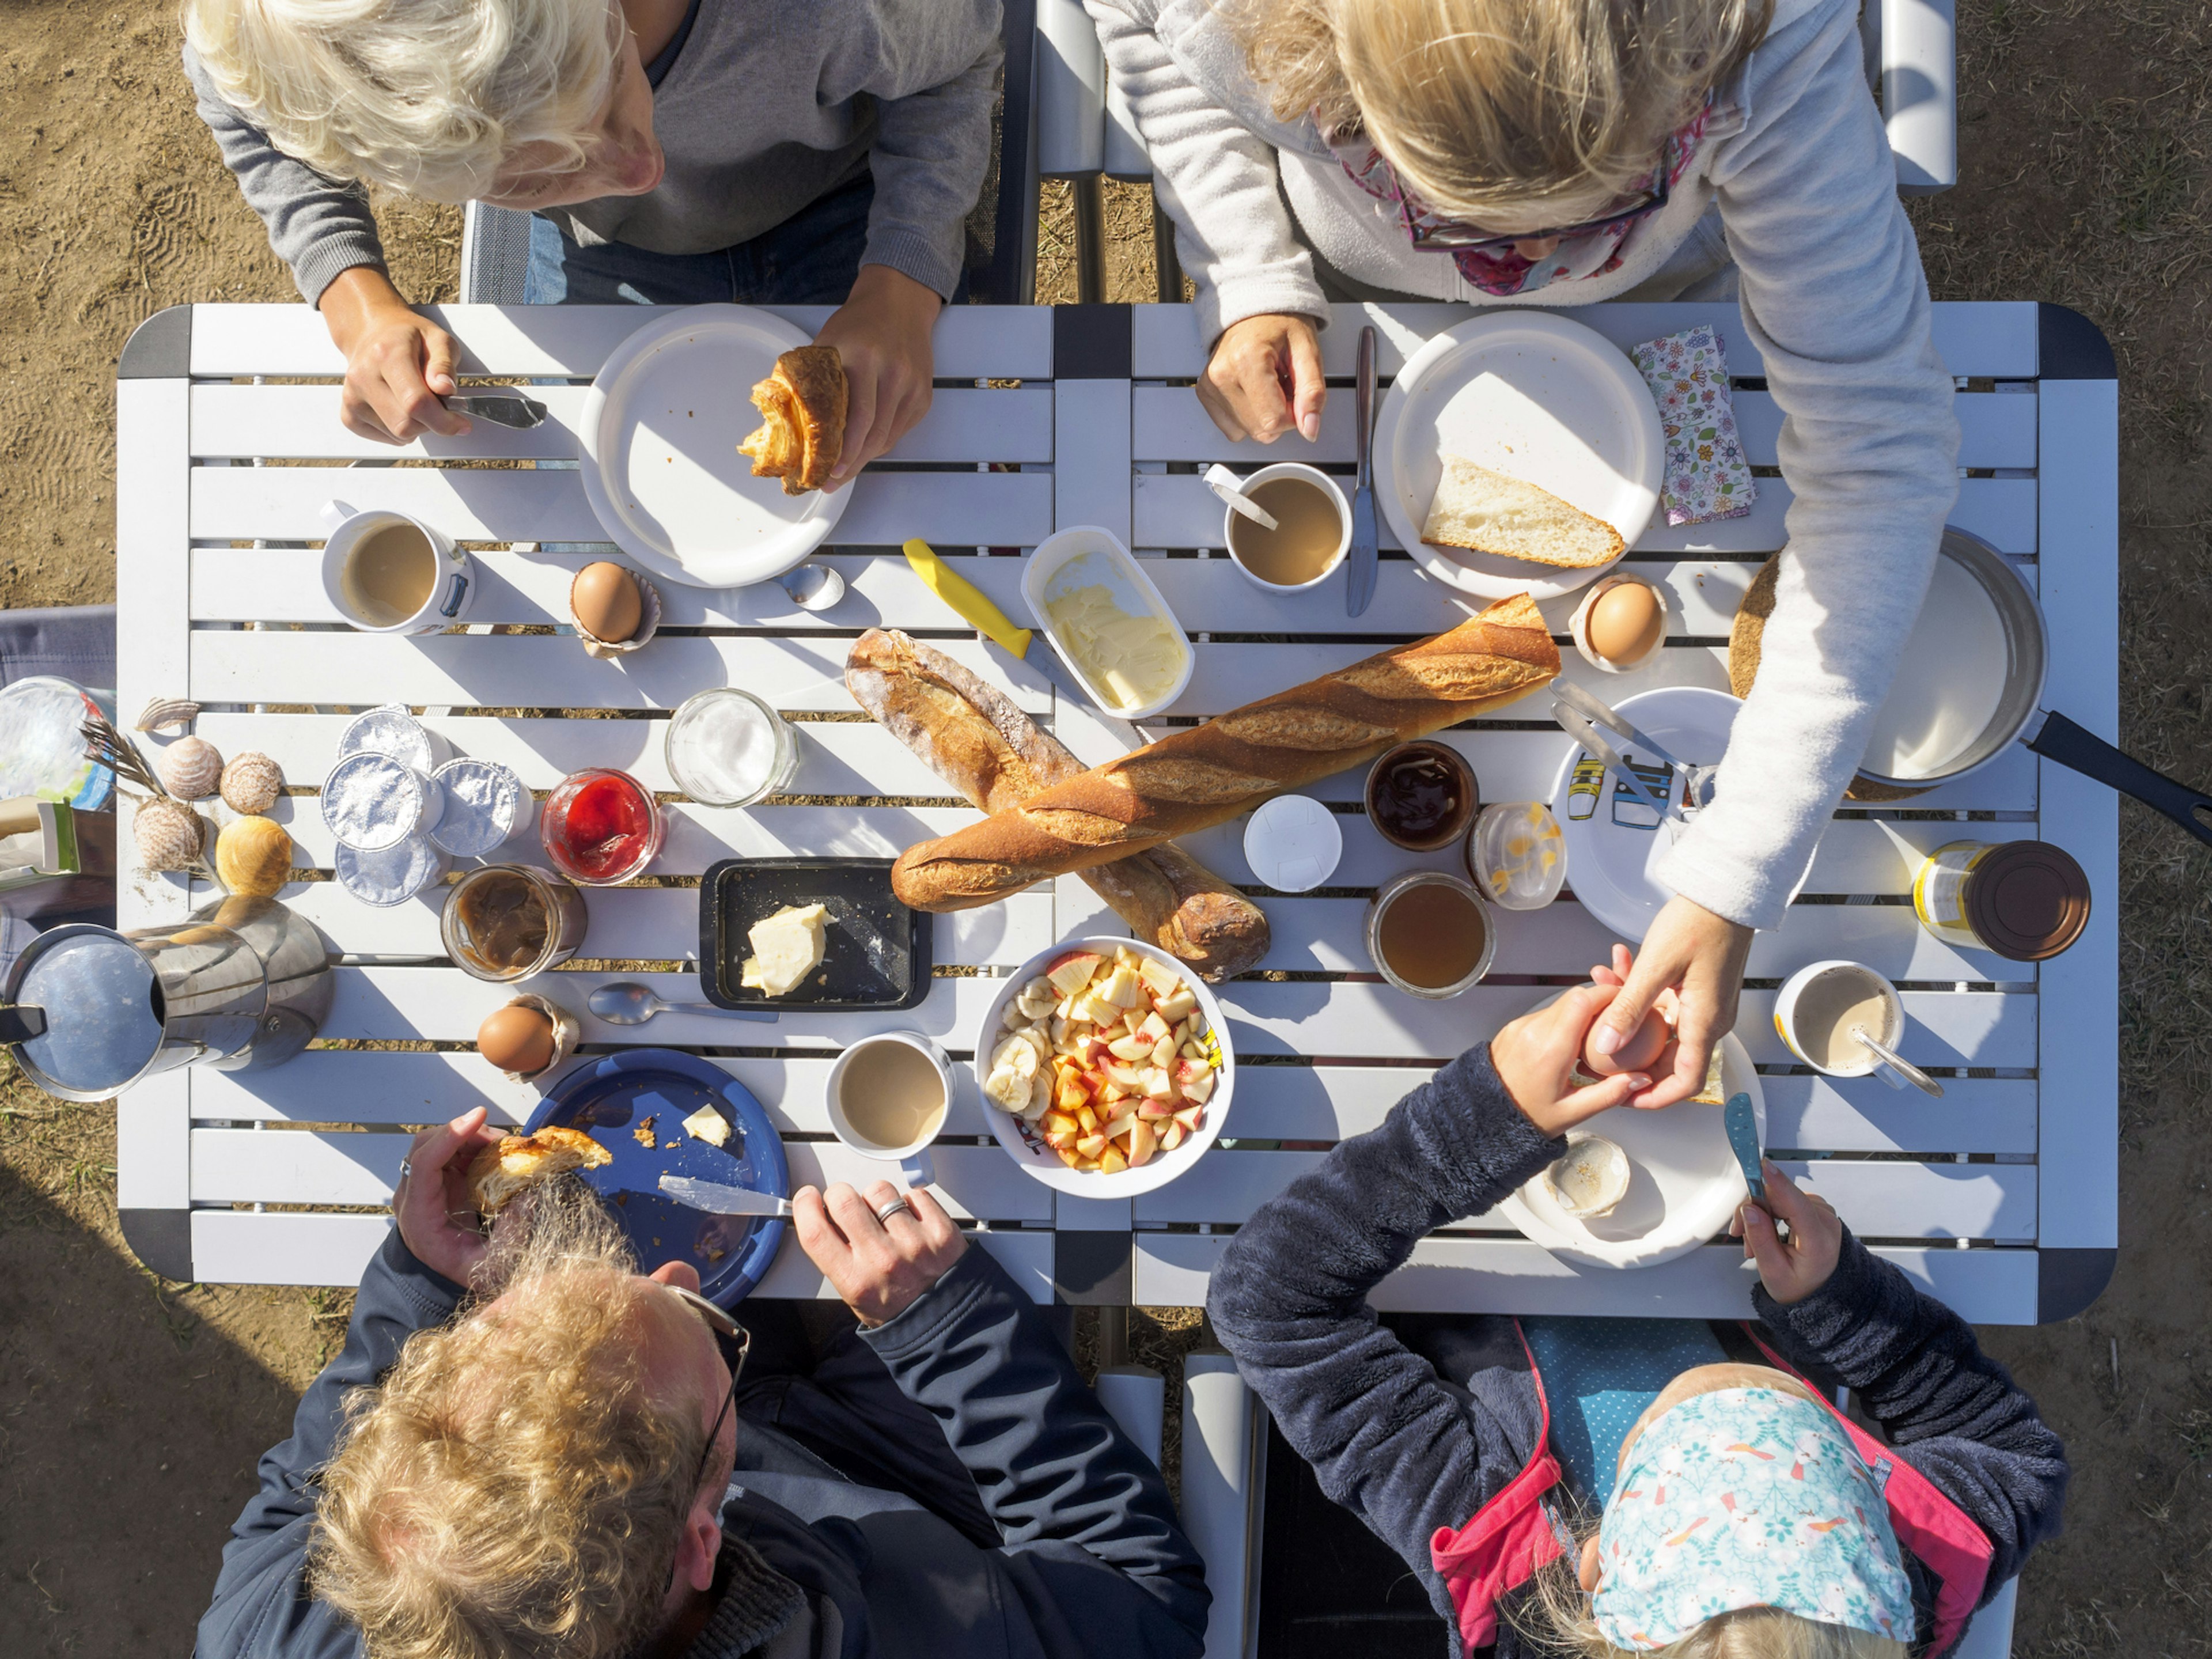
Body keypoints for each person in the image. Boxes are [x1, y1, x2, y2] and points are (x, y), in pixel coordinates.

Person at [1087, 0, 1963, 1100]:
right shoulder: (1236, 20)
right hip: (1353, 298)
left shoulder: (1764, 41)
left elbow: (1881, 459)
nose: (1534, 259)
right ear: (1312, 63)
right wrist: (1252, 270)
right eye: (1456, 221)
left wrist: (1739, 870)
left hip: (1662, 296)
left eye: (1606, 205)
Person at [1207, 967, 2067, 1658]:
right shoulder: (1915, 1570)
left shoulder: (1500, 1566)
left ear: (1593, 1563)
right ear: (1878, 1513)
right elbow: (2015, 1457)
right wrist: (1845, 1306)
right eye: (1787, 1403)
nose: (1706, 1373)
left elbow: (1269, 1304)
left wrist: (1477, 1125)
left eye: (1665, 1419)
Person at [196, 1105, 1209, 1659]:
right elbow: (1142, 1601)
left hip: (737, 1452)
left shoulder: (278, 1627)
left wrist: (420, 1283)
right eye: (704, 1327)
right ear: (701, 1541)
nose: (673, 1274)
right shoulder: (927, 1636)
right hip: (921, 1506)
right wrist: (949, 1334)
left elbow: (299, 1492)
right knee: (1003, 1202)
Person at [181, 0, 1002, 473]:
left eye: (611, 82)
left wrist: (902, 280)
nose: (645, 168)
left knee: (931, 478)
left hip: (848, 204)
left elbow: (958, 59)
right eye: (534, 180)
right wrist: (355, 303)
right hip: (612, 254)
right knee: (593, 530)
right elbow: (233, 87)